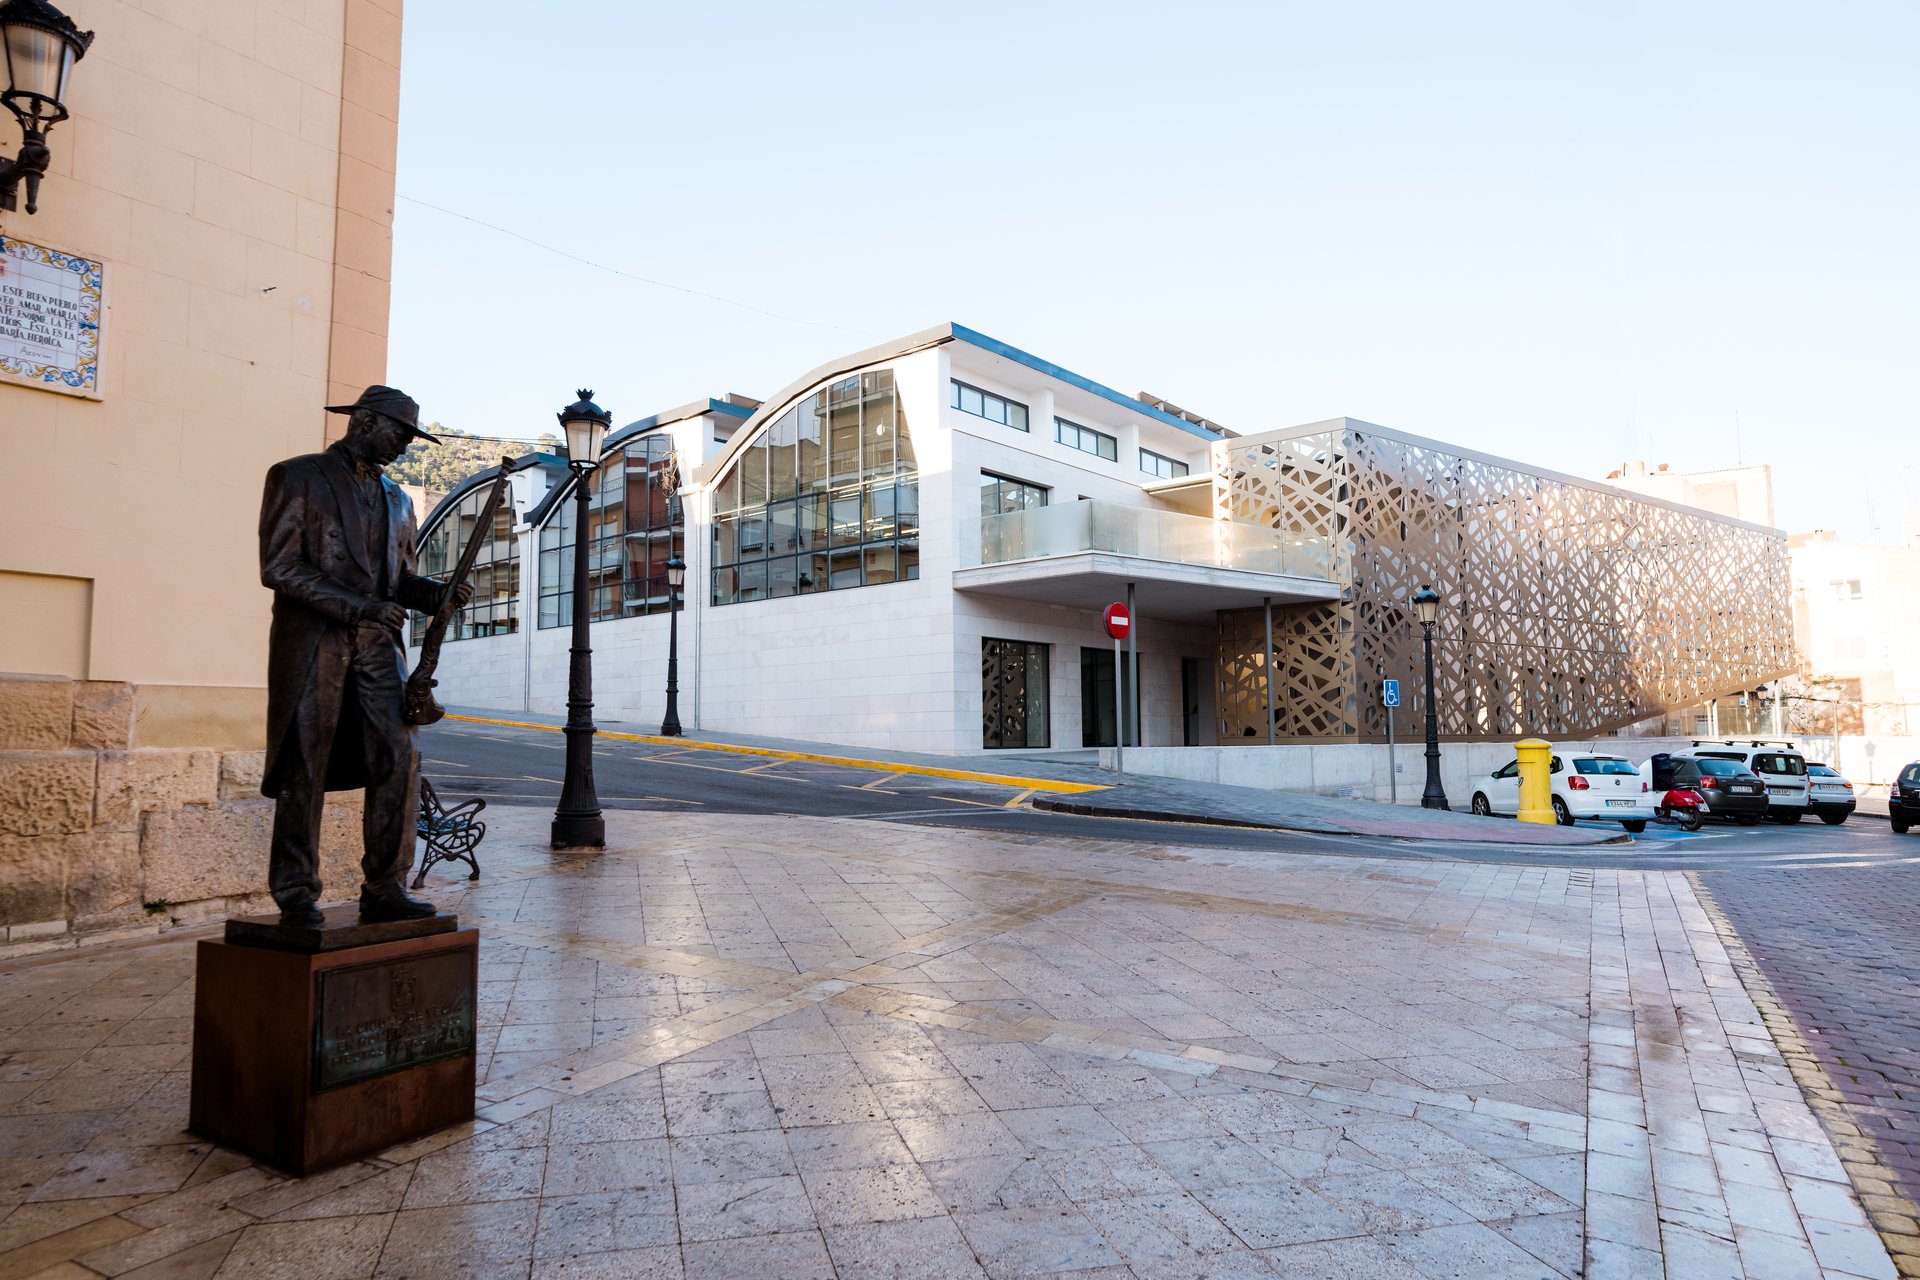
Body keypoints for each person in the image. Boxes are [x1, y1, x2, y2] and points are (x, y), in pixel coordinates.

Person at [257, 386, 472, 925]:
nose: (405, 447)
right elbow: (278, 569)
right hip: (315, 645)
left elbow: (397, 581)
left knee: (399, 760)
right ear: (366, 422)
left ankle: (385, 885)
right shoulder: (297, 476)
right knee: (304, 766)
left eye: (410, 438)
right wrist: (358, 608)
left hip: (380, 651)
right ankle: (296, 892)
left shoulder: (400, 501)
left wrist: (437, 594)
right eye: (400, 434)